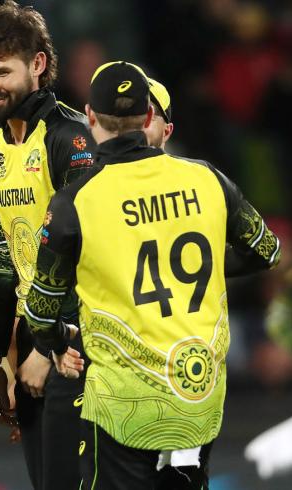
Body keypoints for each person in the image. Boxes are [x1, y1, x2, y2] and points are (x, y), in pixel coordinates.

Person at [25, 60, 281, 489]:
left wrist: (54, 343)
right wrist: (208, 268)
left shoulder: (75, 202)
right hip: (195, 393)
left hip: (123, 404)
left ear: (89, 117)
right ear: (148, 117)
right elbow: (266, 251)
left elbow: (40, 310)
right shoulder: (206, 178)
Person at [0, 2, 91, 488]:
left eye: (2, 71)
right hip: (32, 347)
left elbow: (86, 250)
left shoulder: (70, 138)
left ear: (37, 65)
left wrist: (47, 344)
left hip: (76, 346)